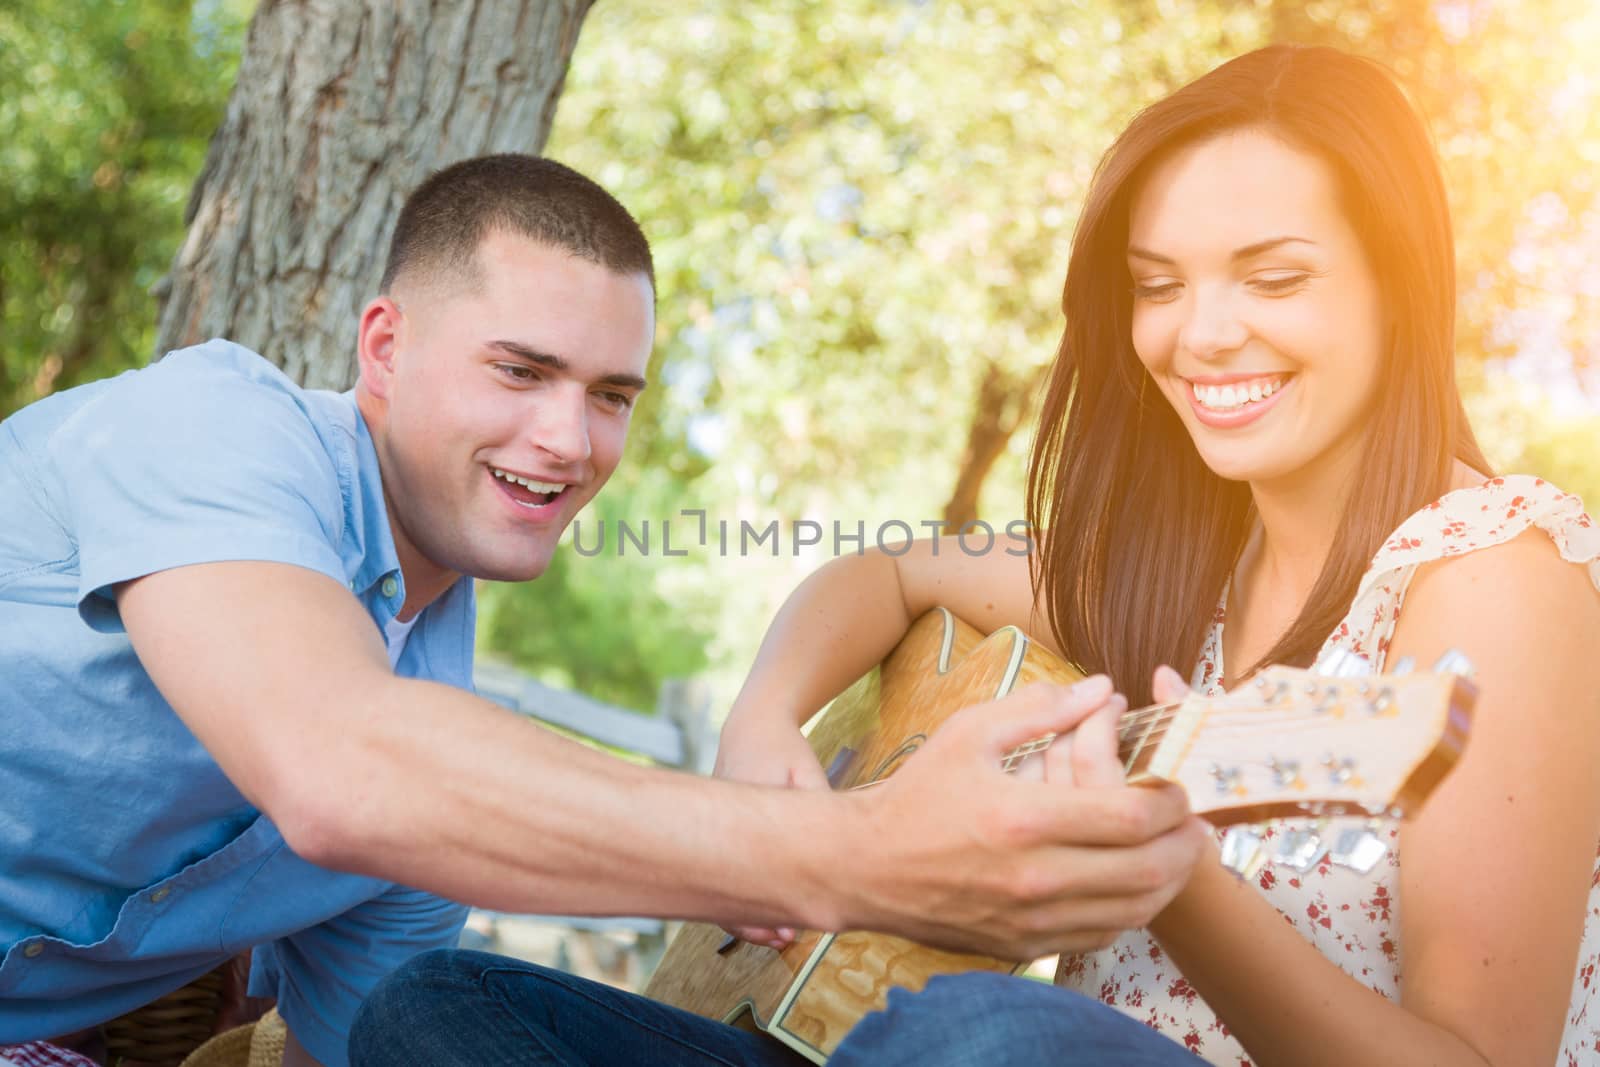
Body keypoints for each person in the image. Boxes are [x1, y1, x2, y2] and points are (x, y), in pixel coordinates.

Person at [352, 44, 1600, 1066]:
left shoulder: (1497, 568)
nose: (1202, 333)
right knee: (438, 1006)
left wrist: (1171, 875)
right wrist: (763, 724)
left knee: (976, 1032)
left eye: (1271, 276)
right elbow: (883, 573)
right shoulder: (1180, 570)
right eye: (1156, 284)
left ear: (1400, 284)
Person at [0, 154, 1207, 1067]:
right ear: (383, 347)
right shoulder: (206, 423)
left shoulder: (428, 801)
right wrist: (863, 854)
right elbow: (337, 764)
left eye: (610, 395)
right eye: (518, 371)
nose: (568, 440)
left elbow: (354, 1032)